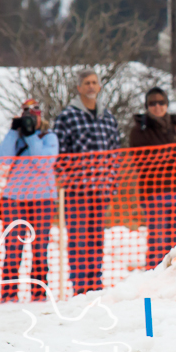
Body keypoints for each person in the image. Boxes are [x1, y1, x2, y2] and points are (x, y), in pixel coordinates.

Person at [54, 69, 122, 295]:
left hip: (101, 190)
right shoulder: (67, 116)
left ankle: (95, 285)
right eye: (86, 83)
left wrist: (111, 184)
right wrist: (67, 179)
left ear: (100, 86)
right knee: (78, 240)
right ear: (79, 88)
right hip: (77, 191)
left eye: (94, 82)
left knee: (96, 240)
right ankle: (80, 287)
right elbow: (59, 155)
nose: (91, 86)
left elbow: (115, 154)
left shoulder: (108, 117)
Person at [0, 99, 59, 302]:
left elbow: (43, 162)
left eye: (34, 115)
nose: (30, 120)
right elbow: (4, 159)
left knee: (40, 247)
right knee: (12, 248)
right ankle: (8, 295)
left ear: (41, 116)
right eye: (27, 116)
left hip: (43, 200)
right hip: (14, 199)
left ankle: (39, 294)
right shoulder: (16, 138)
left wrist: (32, 136)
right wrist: (14, 131)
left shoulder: (49, 137)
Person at [129, 87, 176, 268]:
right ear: (147, 106)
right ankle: (154, 275)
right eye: (152, 103)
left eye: (161, 102)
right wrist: (173, 155)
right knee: (157, 239)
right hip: (153, 192)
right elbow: (143, 161)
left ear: (167, 104)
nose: (157, 106)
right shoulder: (139, 130)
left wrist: (168, 157)